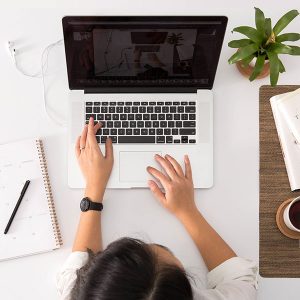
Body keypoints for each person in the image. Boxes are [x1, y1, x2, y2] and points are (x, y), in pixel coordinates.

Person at [56, 117, 258, 300]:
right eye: (179, 269)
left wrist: (94, 185)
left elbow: (78, 270)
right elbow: (242, 280)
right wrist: (188, 211)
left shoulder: (78, 293)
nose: (156, 246)